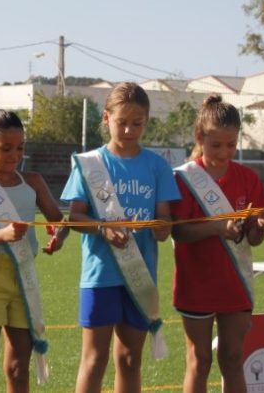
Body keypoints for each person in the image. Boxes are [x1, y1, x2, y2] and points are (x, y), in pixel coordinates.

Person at [61, 82, 180, 393]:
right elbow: (75, 217)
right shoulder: (89, 164)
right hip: (100, 274)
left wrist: (160, 227)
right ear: (106, 118)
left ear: (147, 121)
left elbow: (165, 223)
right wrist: (103, 228)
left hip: (140, 276)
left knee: (129, 359)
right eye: (121, 122)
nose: (128, 130)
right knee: (94, 359)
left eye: (137, 123)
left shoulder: (157, 166)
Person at [171, 95, 264, 393]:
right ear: (199, 138)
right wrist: (218, 227)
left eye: (231, 145)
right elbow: (179, 233)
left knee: (232, 357)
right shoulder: (184, 178)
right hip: (196, 283)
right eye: (216, 145)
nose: (224, 152)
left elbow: (252, 238)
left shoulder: (248, 178)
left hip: (235, 283)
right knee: (200, 359)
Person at [0, 109, 70, 392]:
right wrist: (4, 234)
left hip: (24, 276)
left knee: (19, 366)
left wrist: (59, 235)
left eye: (20, 148)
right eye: (5, 148)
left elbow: (58, 220)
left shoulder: (32, 181)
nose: (14, 155)